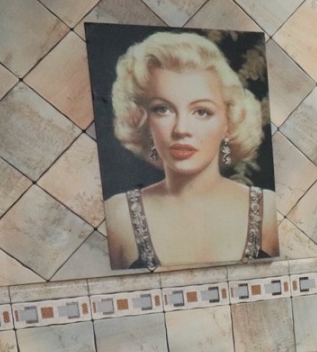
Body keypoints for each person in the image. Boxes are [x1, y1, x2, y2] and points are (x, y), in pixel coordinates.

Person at [104, 32, 278, 268]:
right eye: (163, 109)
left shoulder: (268, 211)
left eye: (201, 112)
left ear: (228, 122)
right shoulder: (118, 217)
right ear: (144, 121)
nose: (181, 129)